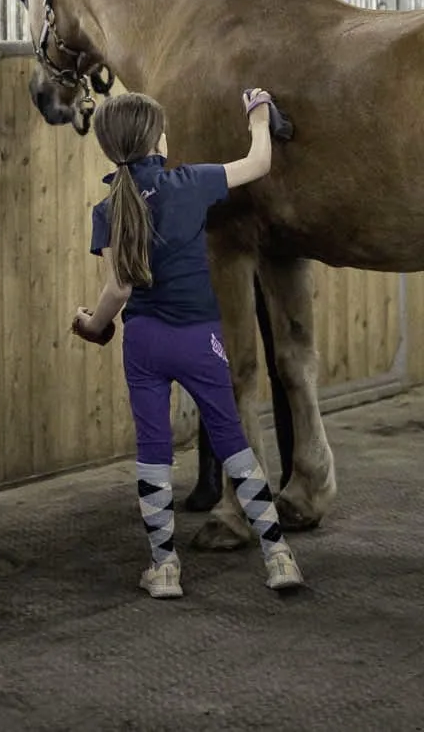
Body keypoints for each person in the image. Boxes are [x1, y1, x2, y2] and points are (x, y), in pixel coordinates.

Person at [70, 87, 305, 599]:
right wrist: (258, 113)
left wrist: (92, 325)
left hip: (145, 343)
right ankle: (279, 557)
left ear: (112, 149)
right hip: (201, 339)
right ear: (159, 141)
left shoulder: (108, 208)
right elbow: (258, 163)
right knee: (233, 443)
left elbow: (119, 289)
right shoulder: (190, 182)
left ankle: (165, 567)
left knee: (153, 452)